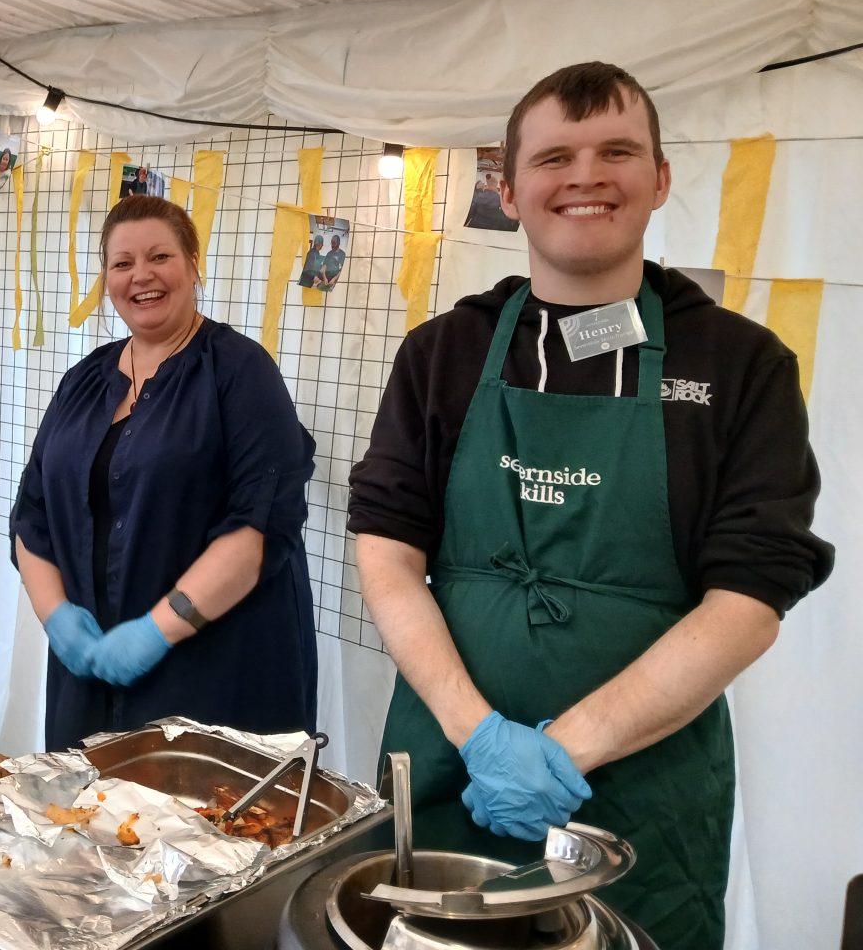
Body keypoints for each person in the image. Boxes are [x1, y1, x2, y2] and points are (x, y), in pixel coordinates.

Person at [347, 62, 833, 950]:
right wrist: (482, 736)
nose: (586, 176)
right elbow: (386, 552)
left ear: (660, 178)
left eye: (617, 150)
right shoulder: (443, 354)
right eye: (554, 156)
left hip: (643, 797)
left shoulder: (742, 366)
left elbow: (750, 600)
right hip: (457, 770)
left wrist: (567, 748)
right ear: (509, 187)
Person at [12, 195, 318, 751]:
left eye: (159, 257)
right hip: (88, 681)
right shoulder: (83, 379)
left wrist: (158, 629)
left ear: (193, 264)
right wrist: (56, 616)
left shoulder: (241, 371)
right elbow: (32, 514)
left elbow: (256, 529)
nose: (141, 276)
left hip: (213, 672)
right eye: (122, 263)